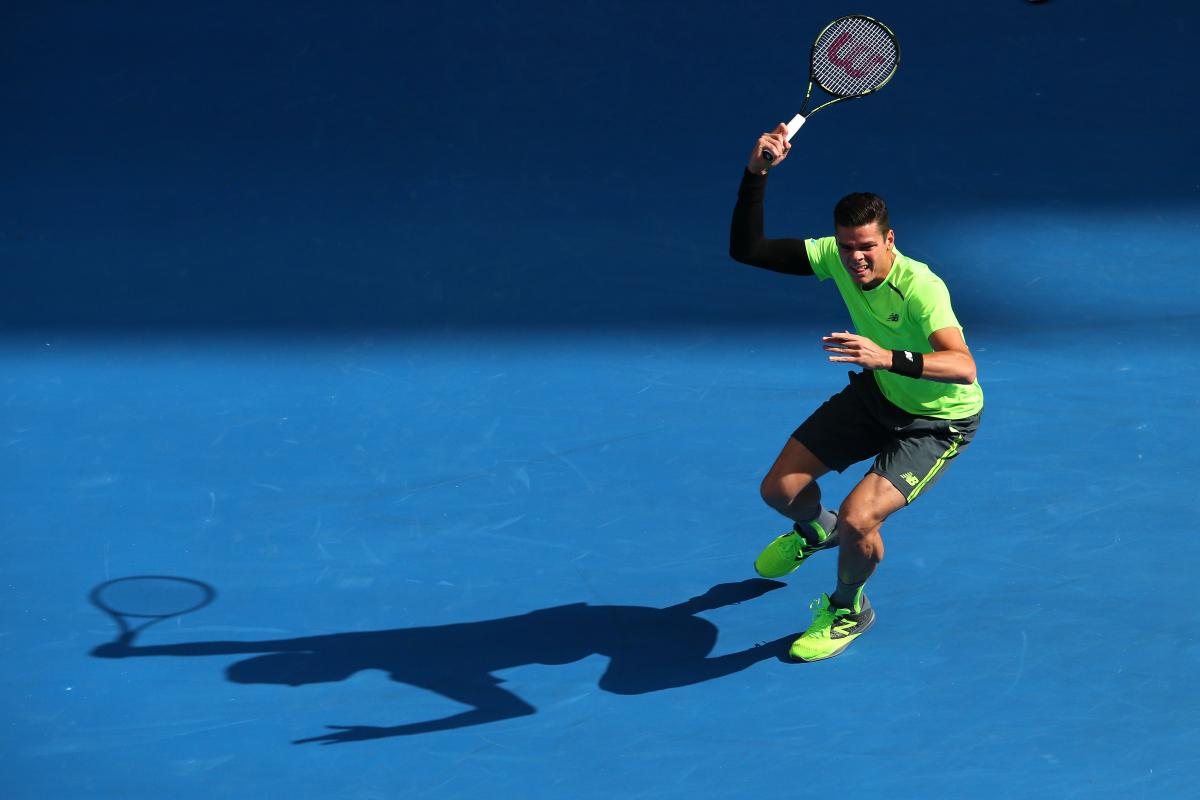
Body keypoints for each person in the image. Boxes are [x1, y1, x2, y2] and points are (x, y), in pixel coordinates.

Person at [728, 123, 984, 662]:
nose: (855, 259)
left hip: (937, 422)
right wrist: (757, 173)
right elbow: (747, 250)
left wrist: (884, 357)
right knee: (778, 491)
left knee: (859, 519)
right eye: (846, 248)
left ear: (890, 239)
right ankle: (813, 532)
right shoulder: (833, 257)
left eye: (866, 246)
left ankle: (847, 608)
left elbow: (963, 366)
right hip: (878, 395)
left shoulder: (923, 289)